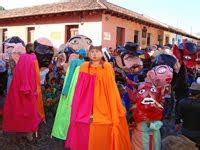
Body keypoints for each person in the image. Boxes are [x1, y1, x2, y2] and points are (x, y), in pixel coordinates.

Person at [65, 45, 131, 150]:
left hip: (103, 102)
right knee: (81, 122)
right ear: (88, 54)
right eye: (92, 52)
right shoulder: (84, 67)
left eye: (97, 52)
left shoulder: (107, 67)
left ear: (101, 54)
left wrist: (113, 105)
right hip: (87, 102)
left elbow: (111, 87)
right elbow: (80, 88)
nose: (94, 54)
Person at [176, 80, 200, 146]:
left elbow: (178, 116)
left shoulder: (182, 102)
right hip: (197, 133)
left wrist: (178, 123)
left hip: (185, 131)